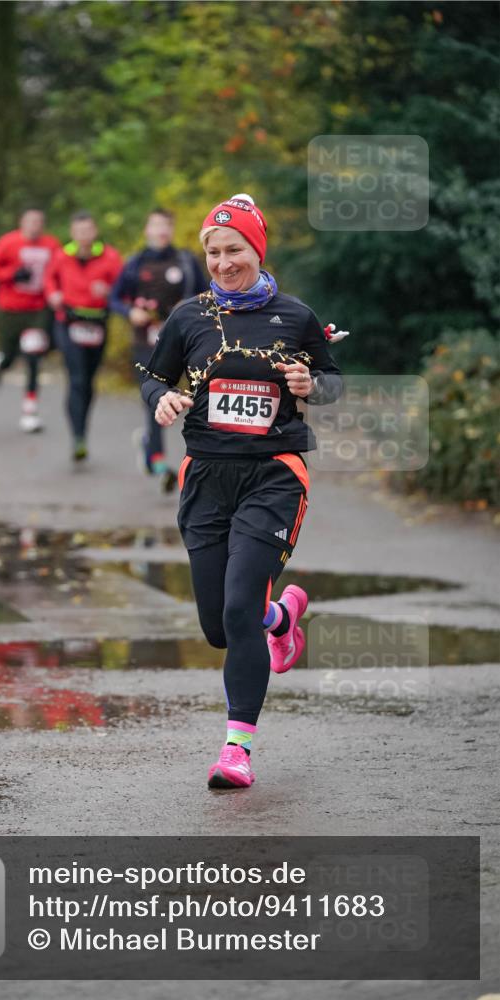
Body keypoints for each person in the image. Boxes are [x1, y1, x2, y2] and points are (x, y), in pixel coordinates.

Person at [139, 194, 344, 790]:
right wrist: (164, 400)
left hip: (273, 475)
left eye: (236, 250)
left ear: (258, 250)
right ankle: (280, 618)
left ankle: (236, 751)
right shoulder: (189, 317)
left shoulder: (296, 317)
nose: (225, 262)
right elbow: (153, 377)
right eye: (214, 252)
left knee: (236, 607)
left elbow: (329, 381)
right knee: (222, 628)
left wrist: (313, 381)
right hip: (206, 476)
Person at [110, 207, 208, 492]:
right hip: (146, 344)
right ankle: (157, 459)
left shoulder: (187, 262)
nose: (161, 231)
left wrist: (187, 308)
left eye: (166, 225)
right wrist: (130, 312)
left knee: (192, 399)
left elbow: (207, 295)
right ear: (147, 230)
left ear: (171, 230)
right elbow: (115, 299)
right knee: (157, 398)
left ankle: (196, 459)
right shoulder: (134, 264)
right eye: (156, 225)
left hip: (185, 344)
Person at [44, 212, 123, 461]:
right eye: (79, 231)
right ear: (72, 233)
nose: (83, 236)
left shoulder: (109, 256)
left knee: (89, 381)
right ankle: (78, 436)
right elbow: (49, 280)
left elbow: (123, 289)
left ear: (95, 231)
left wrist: (109, 291)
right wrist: (53, 295)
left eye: (87, 230)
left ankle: (82, 428)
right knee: (77, 379)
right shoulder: (61, 255)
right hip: (68, 322)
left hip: (97, 323)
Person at [0, 210, 60, 432]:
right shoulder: (8, 242)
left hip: (38, 309)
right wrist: (12, 274)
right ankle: (1, 364)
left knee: (33, 355)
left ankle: (30, 411)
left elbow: (59, 271)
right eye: (31, 222)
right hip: (10, 308)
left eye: (39, 222)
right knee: (9, 354)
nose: (35, 226)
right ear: (22, 223)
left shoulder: (51, 245)